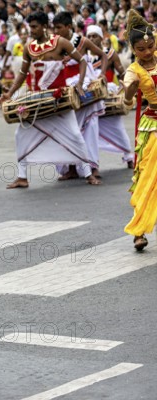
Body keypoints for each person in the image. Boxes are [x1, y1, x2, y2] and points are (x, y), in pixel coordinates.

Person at [1, 11, 98, 188]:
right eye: (30, 27)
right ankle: (22, 177)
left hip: (59, 99)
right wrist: (10, 93)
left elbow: (82, 61)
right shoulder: (28, 47)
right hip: (38, 101)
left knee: (75, 135)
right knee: (20, 135)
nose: (31, 30)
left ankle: (88, 174)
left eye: (35, 26)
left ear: (45, 26)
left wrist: (80, 83)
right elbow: (23, 73)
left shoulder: (60, 42)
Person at [53, 11, 107, 181]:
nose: (56, 31)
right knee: (69, 129)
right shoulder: (56, 44)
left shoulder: (82, 41)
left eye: (59, 28)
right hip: (66, 86)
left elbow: (103, 56)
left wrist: (101, 75)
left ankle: (93, 166)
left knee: (90, 128)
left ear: (69, 27)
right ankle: (71, 168)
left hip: (84, 86)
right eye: (54, 28)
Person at [122, 10, 157, 250]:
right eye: (141, 49)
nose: (147, 52)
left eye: (151, 46)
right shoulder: (133, 70)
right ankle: (139, 230)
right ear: (134, 49)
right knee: (147, 178)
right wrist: (130, 90)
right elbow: (126, 101)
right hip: (152, 124)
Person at [86, 25, 134, 168]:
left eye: (94, 36)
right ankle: (90, 164)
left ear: (102, 38)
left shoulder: (110, 53)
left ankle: (128, 156)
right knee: (89, 129)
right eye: (89, 36)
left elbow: (122, 73)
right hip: (90, 98)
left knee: (117, 127)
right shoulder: (84, 57)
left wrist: (127, 88)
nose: (91, 39)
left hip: (108, 95)